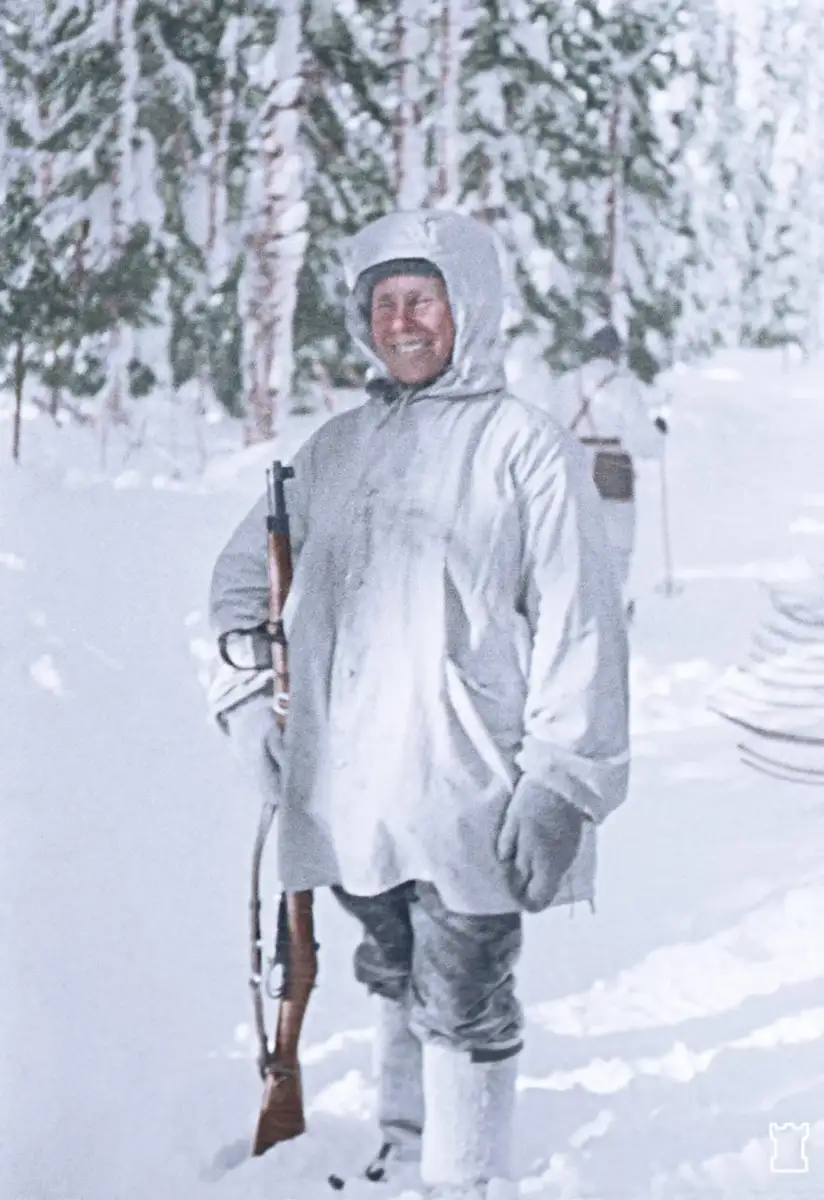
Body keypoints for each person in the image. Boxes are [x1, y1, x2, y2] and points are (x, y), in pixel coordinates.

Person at [207, 210, 630, 1198]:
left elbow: (583, 626)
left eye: (422, 301)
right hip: (353, 790)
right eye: (382, 303)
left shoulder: (525, 448)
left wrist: (562, 781)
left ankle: (461, 1177)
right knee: (392, 963)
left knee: (466, 989)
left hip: (469, 785)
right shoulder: (334, 450)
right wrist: (240, 703)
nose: (400, 323)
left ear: (469, 310)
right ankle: (402, 1146)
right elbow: (235, 585)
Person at [550, 323, 668, 621]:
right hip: (613, 469)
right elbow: (642, 441)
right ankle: (611, 608)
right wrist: (658, 436)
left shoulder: (566, 384)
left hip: (573, 468)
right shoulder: (624, 386)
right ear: (616, 353)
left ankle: (578, 607)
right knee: (617, 542)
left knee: (576, 540)